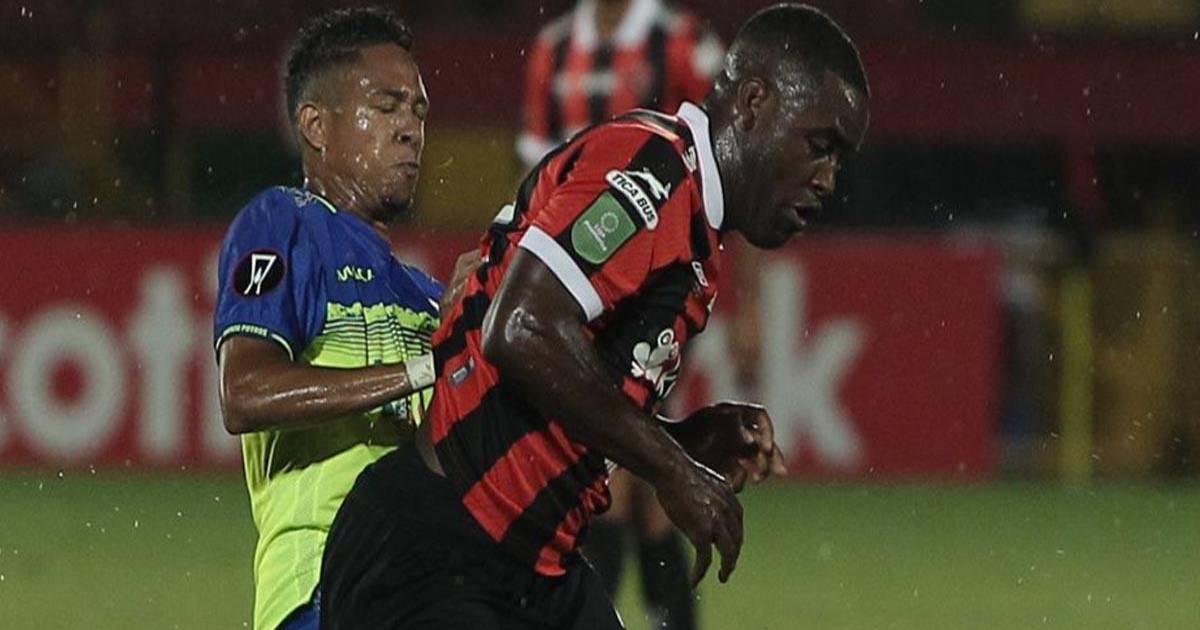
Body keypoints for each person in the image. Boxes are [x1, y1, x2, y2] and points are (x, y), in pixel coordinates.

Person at [320, 4, 870, 628]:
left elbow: (571, 399)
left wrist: (686, 439)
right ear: (752, 103)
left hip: (530, 569)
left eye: (840, 160)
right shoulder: (654, 174)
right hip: (438, 546)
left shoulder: (694, 227)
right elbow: (520, 329)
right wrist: (672, 471)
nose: (828, 180)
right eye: (820, 147)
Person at [214, 8, 472, 630]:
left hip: (427, 587)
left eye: (417, 111)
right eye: (386, 107)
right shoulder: (284, 223)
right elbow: (244, 392)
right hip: (324, 586)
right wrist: (423, 367)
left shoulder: (424, 294)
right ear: (316, 126)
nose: (410, 128)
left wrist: (483, 323)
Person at [518, 2, 725, 626]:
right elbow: (529, 180)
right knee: (627, 494)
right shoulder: (553, 51)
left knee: (620, 488)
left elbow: (729, 174)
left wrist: (753, 303)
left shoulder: (686, 44)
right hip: (571, 303)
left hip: (658, 297)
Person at [517, 0, 724, 172]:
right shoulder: (553, 46)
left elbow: (719, 141)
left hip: (661, 207)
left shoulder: (685, 40)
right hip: (570, 207)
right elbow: (535, 154)